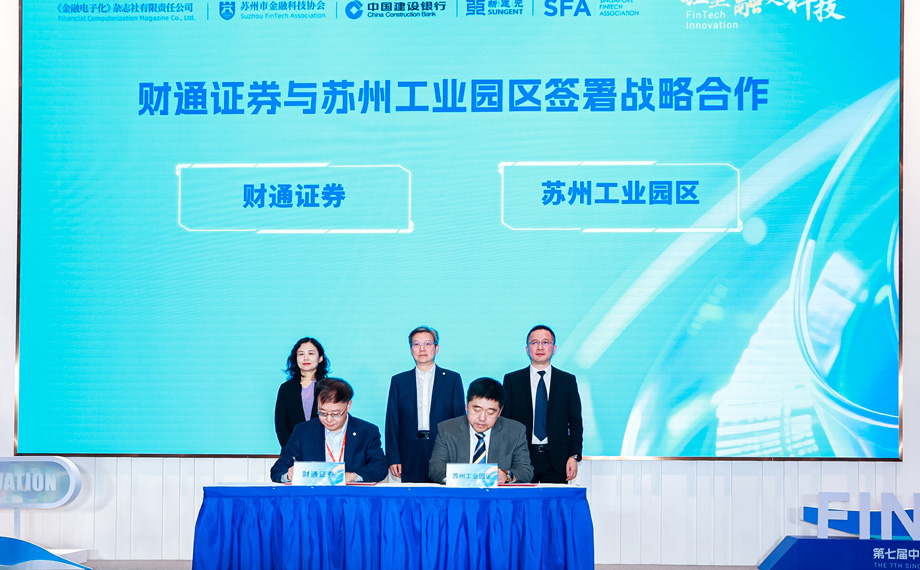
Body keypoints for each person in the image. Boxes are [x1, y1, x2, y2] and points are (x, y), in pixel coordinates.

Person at [502, 325, 583, 483]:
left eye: (546, 343)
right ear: (527, 349)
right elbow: (506, 423)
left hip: (557, 460)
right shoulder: (512, 380)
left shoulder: (567, 381)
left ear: (554, 348)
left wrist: (573, 456)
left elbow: (575, 422)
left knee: (554, 499)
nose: (540, 347)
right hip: (521, 458)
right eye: (535, 343)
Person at [385, 326, 465, 482]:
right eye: (416, 344)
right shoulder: (399, 381)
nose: (422, 348)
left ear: (436, 348)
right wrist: (393, 457)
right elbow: (392, 422)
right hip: (409, 451)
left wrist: (458, 455)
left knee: (442, 494)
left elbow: (459, 420)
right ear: (411, 350)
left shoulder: (452, 379)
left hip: (443, 449)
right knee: (412, 494)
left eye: (427, 343)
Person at [270, 378, 388, 483]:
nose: (329, 419)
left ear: (348, 406)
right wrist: (288, 475)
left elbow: (379, 467)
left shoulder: (367, 431)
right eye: (323, 413)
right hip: (315, 497)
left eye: (336, 414)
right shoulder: (303, 431)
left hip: (351, 497)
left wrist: (352, 476)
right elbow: (278, 469)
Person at [429, 377, 533, 484]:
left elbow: (525, 471)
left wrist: (506, 475)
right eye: (476, 410)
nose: (482, 418)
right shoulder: (447, 429)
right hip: (459, 493)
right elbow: (436, 469)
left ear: (500, 411)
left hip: (496, 494)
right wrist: (466, 478)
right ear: (467, 405)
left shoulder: (515, 431)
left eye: (490, 412)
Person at [274, 337, 328, 448]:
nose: (306, 358)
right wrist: (291, 449)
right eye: (301, 354)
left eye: (311, 353)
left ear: (320, 358)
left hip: (325, 449)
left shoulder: (329, 387)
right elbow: (281, 424)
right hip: (294, 450)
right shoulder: (286, 388)